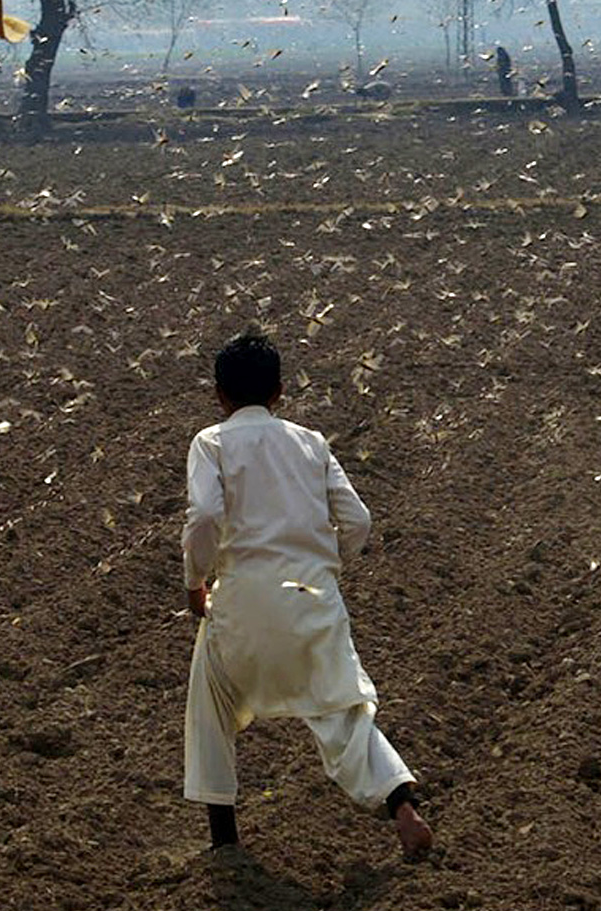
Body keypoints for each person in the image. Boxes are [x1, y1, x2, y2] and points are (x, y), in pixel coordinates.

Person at [182, 330, 432, 860]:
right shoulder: (311, 443)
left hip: (242, 602)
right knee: (343, 713)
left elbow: (204, 517)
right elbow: (358, 520)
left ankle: (224, 839)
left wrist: (195, 583)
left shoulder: (211, 443)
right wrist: (325, 565)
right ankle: (402, 807)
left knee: (210, 701)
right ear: (279, 392)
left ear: (219, 395)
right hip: (313, 596)